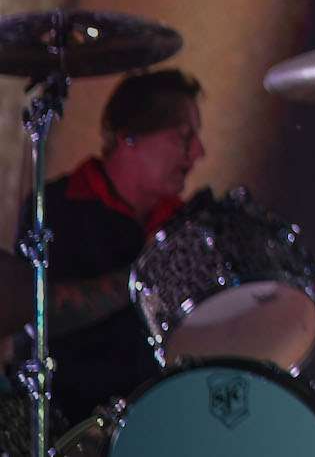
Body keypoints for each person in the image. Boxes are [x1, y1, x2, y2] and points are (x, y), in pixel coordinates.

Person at [8, 70, 205, 420]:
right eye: (184, 137)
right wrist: (144, 274)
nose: (198, 153)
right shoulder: (56, 207)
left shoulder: (185, 224)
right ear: (130, 137)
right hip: (67, 422)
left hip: (159, 417)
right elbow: (36, 316)